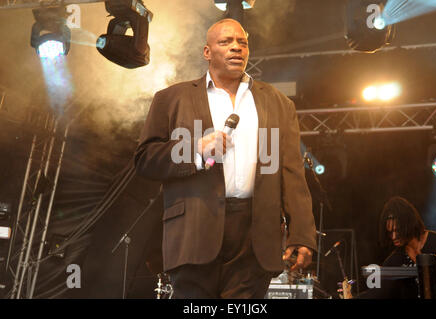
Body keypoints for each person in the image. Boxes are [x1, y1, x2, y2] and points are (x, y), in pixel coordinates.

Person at [134, 18, 317, 299]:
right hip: (194, 228)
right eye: (226, 42)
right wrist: (195, 149)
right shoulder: (172, 98)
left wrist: (302, 234)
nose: (236, 48)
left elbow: (292, 173)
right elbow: (146, 159)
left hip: (255, 234)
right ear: (207, 52)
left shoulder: (278, 103)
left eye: (242, 43)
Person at [359, 196, 436, 299]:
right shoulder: (394, 261)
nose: (393, 237)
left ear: (408, 224)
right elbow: (377, 293)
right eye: (390, 232)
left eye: (397, 230)